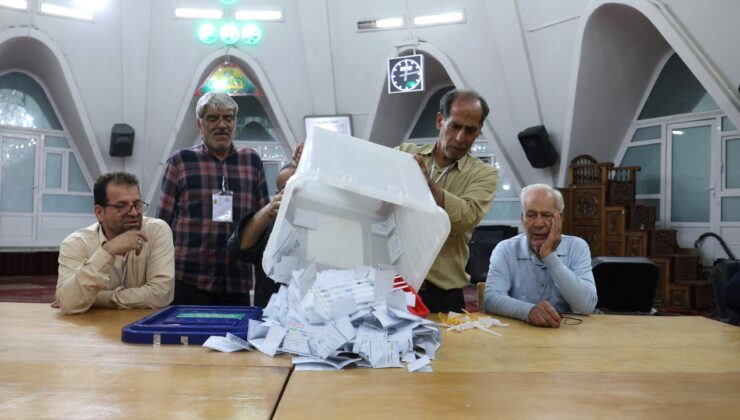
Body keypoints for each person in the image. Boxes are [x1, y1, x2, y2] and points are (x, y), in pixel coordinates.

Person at [157, 92, 270, 305]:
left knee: (234, 339)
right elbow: (162, 225)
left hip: (237, 282)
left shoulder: (251, 162)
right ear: (200, 124)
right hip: (189, 281)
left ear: (235, 123)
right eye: (213, 118)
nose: (222, 125)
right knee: (186, 339)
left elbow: (263, 222)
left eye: (228, 118)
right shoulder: (181, 161)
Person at [398, 89, 499, 313]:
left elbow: (466, 217)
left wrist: (426, 185)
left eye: (470, 131)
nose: (461, 138)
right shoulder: (406, 154)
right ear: (439, 121)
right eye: (454, 126)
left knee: (449, 350)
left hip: (443, 294)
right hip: (395, 285)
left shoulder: (484, 174)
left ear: (479, 132)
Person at [55, 172, 175, 315]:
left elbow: (160, 295)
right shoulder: (75, 243)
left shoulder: (156, 231)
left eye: (137, 204)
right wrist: (107, 251)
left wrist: (96, 298)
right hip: (94, 332)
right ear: (99, 212)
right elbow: (69, 303)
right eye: (121, 206)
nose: (134, 212)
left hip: (143, 329)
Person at [484, 184, 597, 327]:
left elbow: (586, 306)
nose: (538, 223)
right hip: (518, 333)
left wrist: (549, 256)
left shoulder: (577, 247)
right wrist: (528, 311)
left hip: (566, 335)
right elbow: (490, 299)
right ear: (522, 218)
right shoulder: (505, 249)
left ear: (560, 218)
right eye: (531, 215)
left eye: (546, 215)